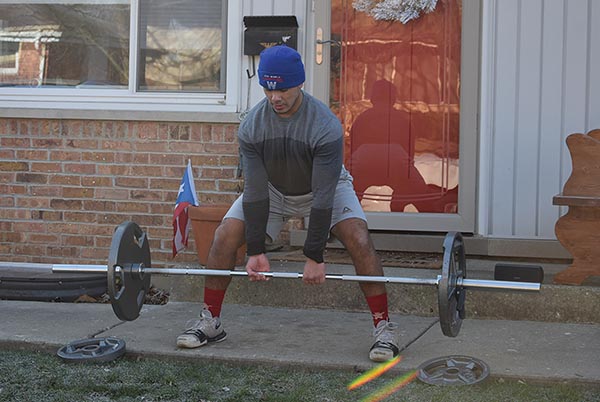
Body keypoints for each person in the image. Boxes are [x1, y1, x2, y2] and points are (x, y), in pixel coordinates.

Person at [176, 45, 399, 362]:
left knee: (359, 237)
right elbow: (254, 189)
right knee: (225, 233)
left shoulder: (325, 125)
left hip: (326, 187)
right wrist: (255, 250)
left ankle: (383, 328)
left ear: (300, 83)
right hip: (273, 190)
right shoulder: (252, 125)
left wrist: (314, 254)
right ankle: (209, 320)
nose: (274, 96)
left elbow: (323, 195)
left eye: (282, 88)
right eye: (267, 87)